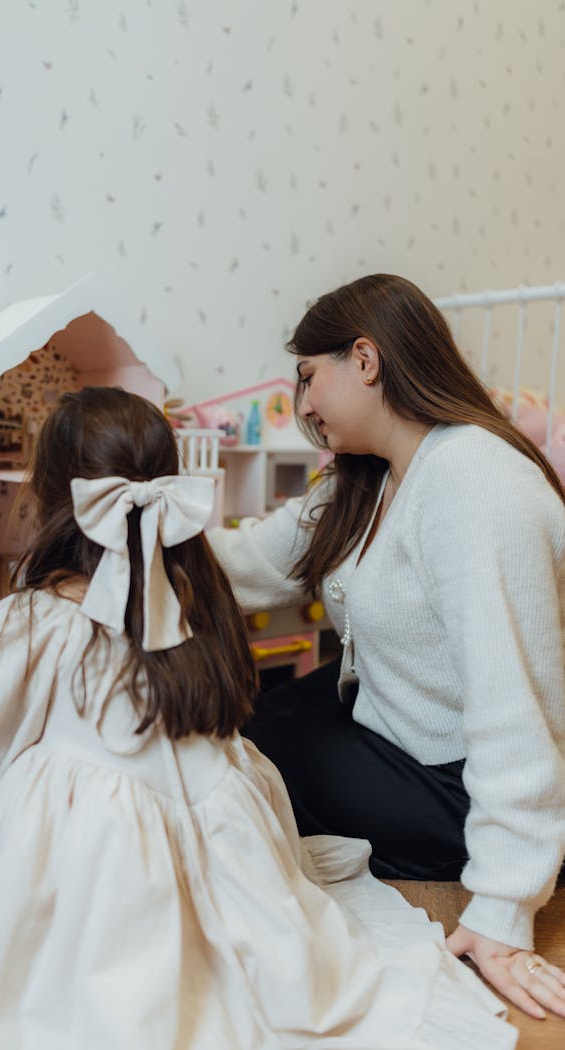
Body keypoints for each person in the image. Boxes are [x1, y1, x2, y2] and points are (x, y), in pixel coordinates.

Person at [0, 386, 519, 1049]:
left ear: (56, 491)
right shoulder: (197, 595)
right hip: (220, 819)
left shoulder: (27, 621)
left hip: (100, 839)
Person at [207, 272, 565, 1023]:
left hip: (461, 776)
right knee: (245, 724)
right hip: (385, 710)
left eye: (308, 378)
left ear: (364, 360)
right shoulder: (368, 478)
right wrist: (130, 551)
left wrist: (503, 910)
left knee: (246, 764)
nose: (303, 405)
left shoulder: (477, 486)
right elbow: (253, 563)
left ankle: (474, 861)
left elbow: (518, 711)